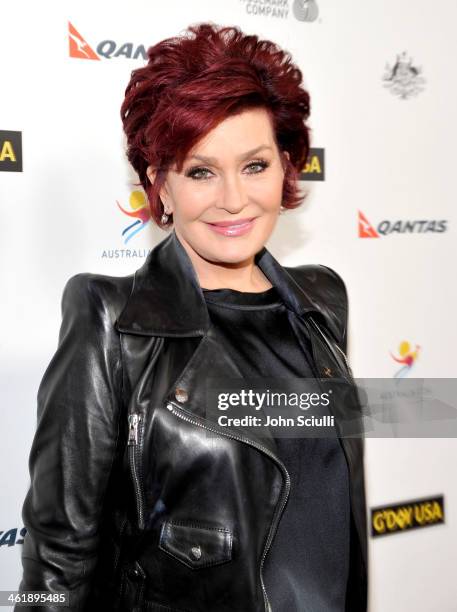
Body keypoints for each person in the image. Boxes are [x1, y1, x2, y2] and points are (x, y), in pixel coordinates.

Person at [16, 22, 368, 612]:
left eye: (254, 165)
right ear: (161, 186)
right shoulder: (114, 321)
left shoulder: (323, 305)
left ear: (286, 167)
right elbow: (56, 560)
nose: (234, 197)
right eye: (201, 171)